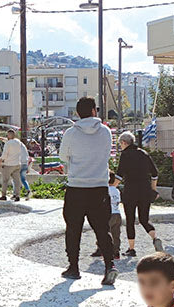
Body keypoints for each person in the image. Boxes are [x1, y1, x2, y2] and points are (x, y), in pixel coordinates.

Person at [59, 97, 118, 285]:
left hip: (76, 186)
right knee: (102, 229)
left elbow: (63, 157)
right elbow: (107, 154)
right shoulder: (106, 132)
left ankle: (74, 267)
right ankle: (109, 266)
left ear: (77, 113)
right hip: (99, 187)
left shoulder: (71, 133)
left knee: (73, 229)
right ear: (94, 111)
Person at [115, 131, 164, 257]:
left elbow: (119, 175)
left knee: (130, 220)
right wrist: (153, 189)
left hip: (130, 191)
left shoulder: (125, 155)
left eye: (120, 144)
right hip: (145, 190)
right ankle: (155, 238)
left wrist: (111, 187)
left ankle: (131, 249)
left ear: (124, 143)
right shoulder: (144, 153)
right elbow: (154, 173)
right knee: (144, 219)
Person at [91, 172, 122, 260]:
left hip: (108, 214)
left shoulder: (106, 190)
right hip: (117, 213)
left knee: (103, 232)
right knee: (116, 234)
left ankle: (100, 249)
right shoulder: (116, 190)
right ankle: (116, 252)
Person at [0, 130, 22, 202]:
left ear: (9, 135)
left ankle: (3, 195)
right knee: (17, 181)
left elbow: (5, 154)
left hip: (8, 164)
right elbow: (11, 143)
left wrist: (0, 161)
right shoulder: (18, 142)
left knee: (5, 180)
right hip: (17, 164)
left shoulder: (8, 144)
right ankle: (17, 195)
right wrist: (2, 139)